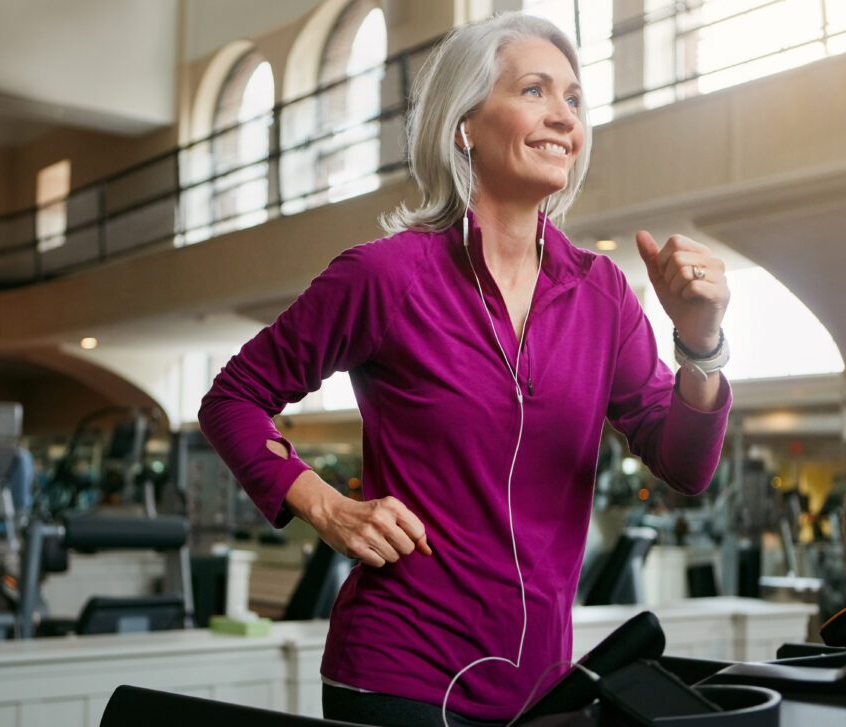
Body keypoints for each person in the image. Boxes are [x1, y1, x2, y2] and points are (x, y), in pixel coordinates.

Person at [199, 12, 732, 726]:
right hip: (397, 671)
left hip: (541, 686)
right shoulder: (385, 277)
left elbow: (685, 464)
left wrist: (699, 345)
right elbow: (233, 396)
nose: (563, 117)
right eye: (535, 90)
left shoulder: (603, 293)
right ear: (464, 124)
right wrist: (324, 505)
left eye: (573, 99)